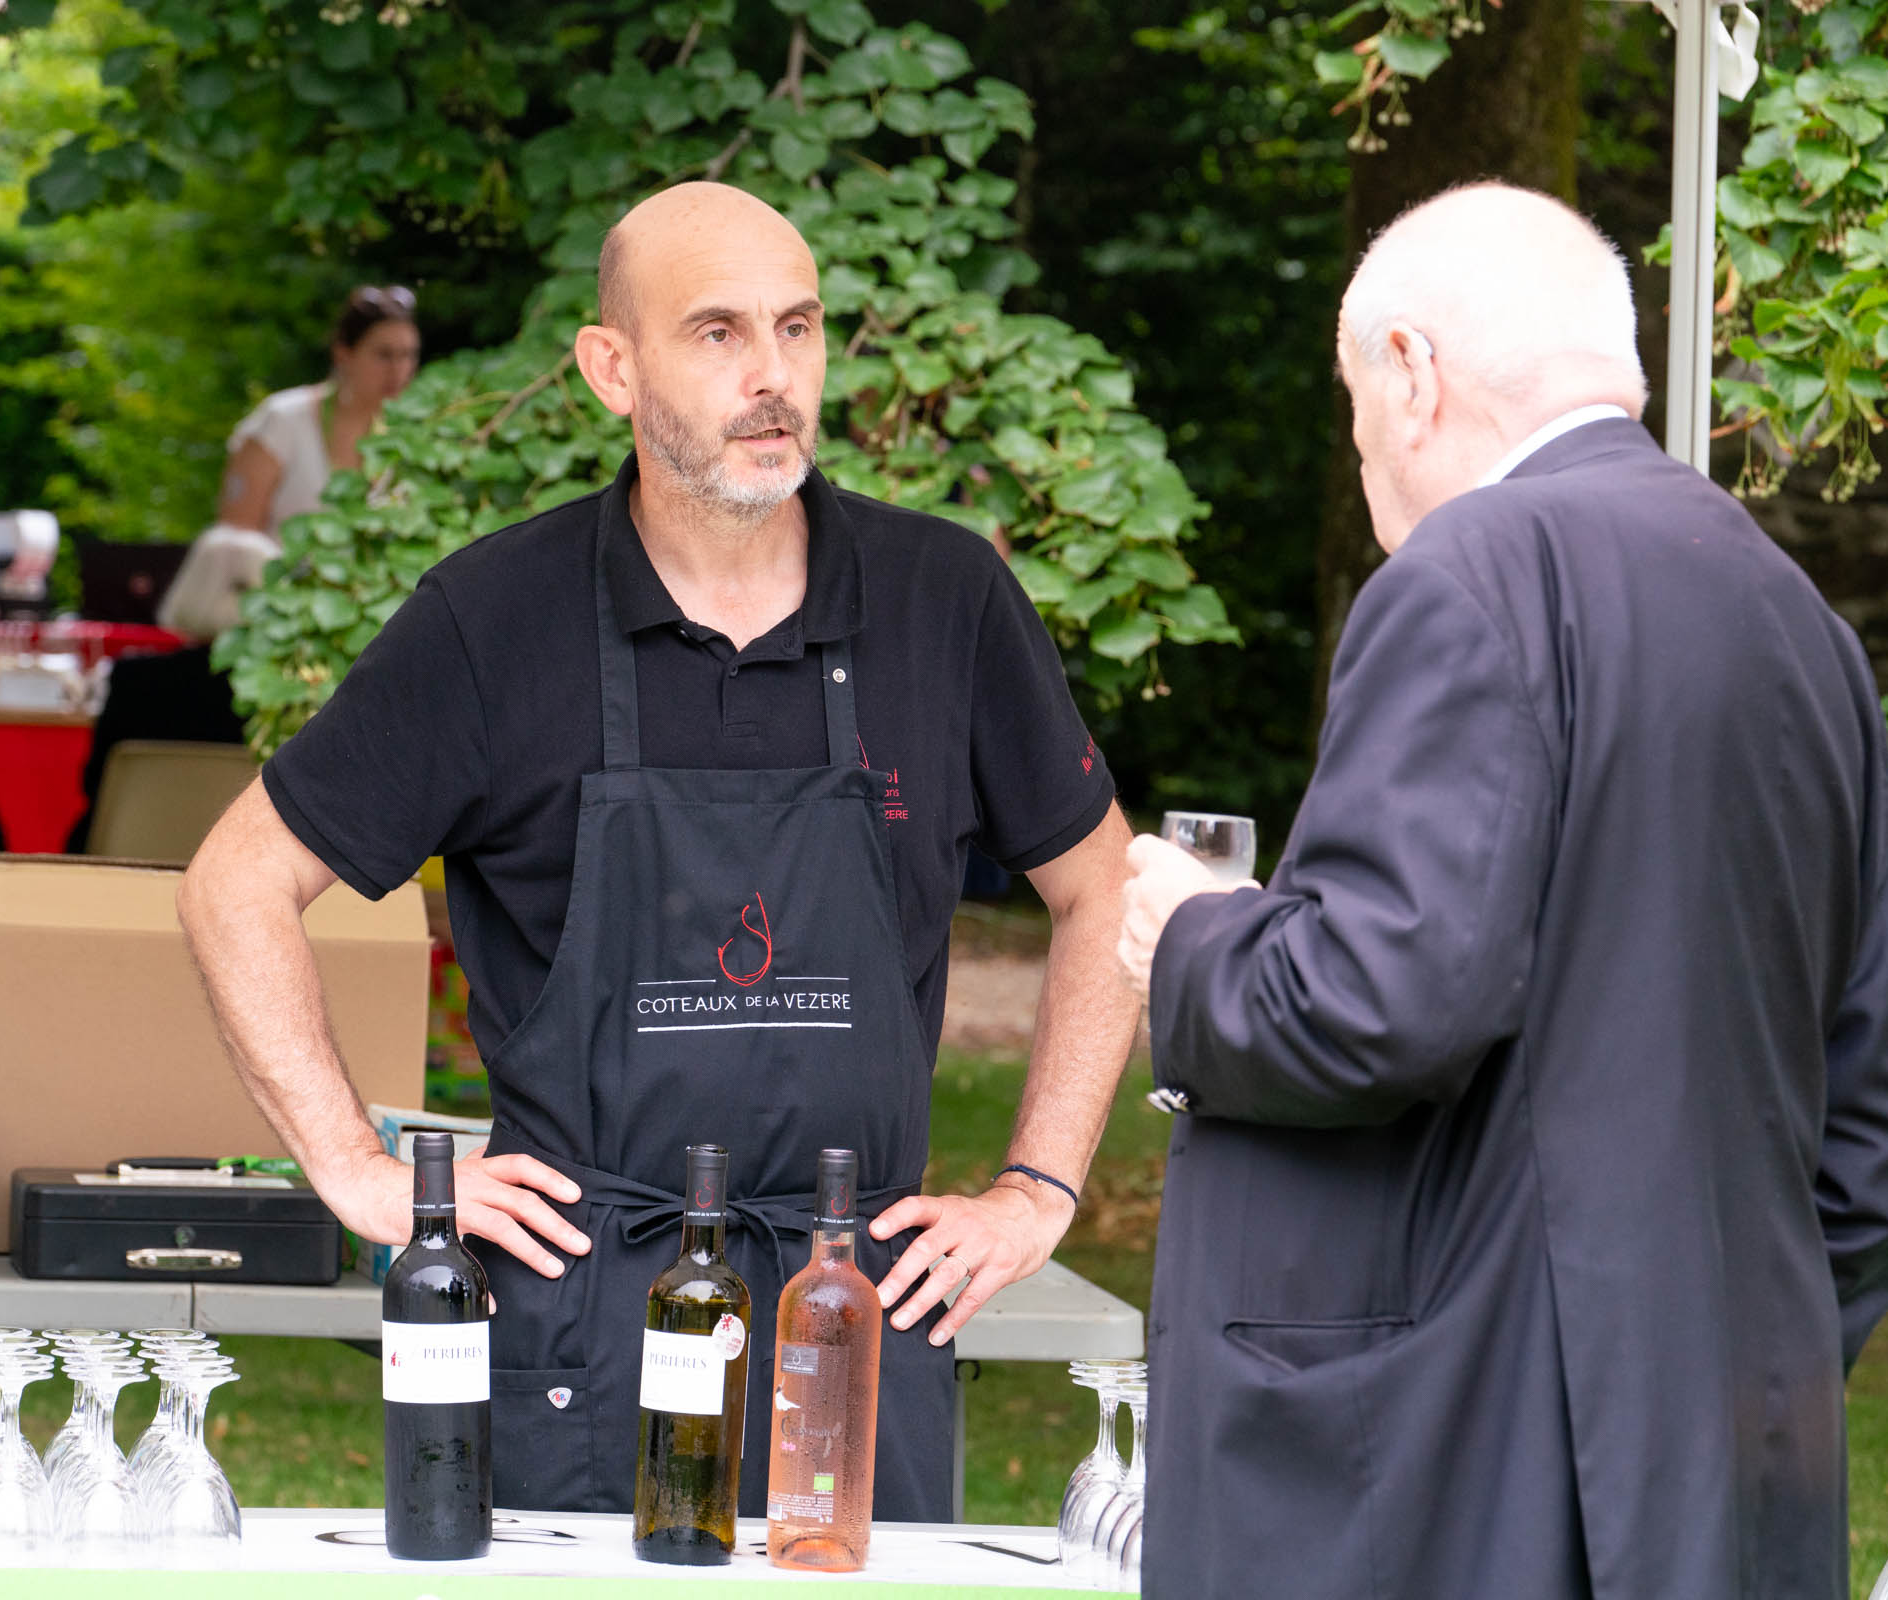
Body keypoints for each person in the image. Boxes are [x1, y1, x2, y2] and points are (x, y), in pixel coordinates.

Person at [178, 182, 1139, 1521]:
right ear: (608, 369)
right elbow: (237, 882)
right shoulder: (493, 619)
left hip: (852, 1312)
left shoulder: (942, 601)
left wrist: (1035, 1185)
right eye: (716, 333)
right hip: (581, 1325)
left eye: (797, 329)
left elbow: (1103, 883)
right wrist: (354, 1167)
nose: (770, 377)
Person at [1117, 183, 1888, 1600]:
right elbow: (1875, 1145)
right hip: (1721, 1491)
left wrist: (1187, 939)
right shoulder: (1794, 618)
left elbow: (1375, 1003)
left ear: (1410, 372)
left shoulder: (1474, 569)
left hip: (1460, 1490)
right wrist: (1719, 1379)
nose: (1361, 449)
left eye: (1353, 401)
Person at [63, 526, 278, 852]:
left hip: (121, 854)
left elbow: (94, 782)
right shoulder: (284, 691)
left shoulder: (133, 679)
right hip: (243, 857)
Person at [218, 285, 421, 534]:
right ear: (343, 353)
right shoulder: (282, 420)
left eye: (408, 355)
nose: (398, 370)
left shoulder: (412, 433)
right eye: (384, 355)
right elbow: (234, 541)